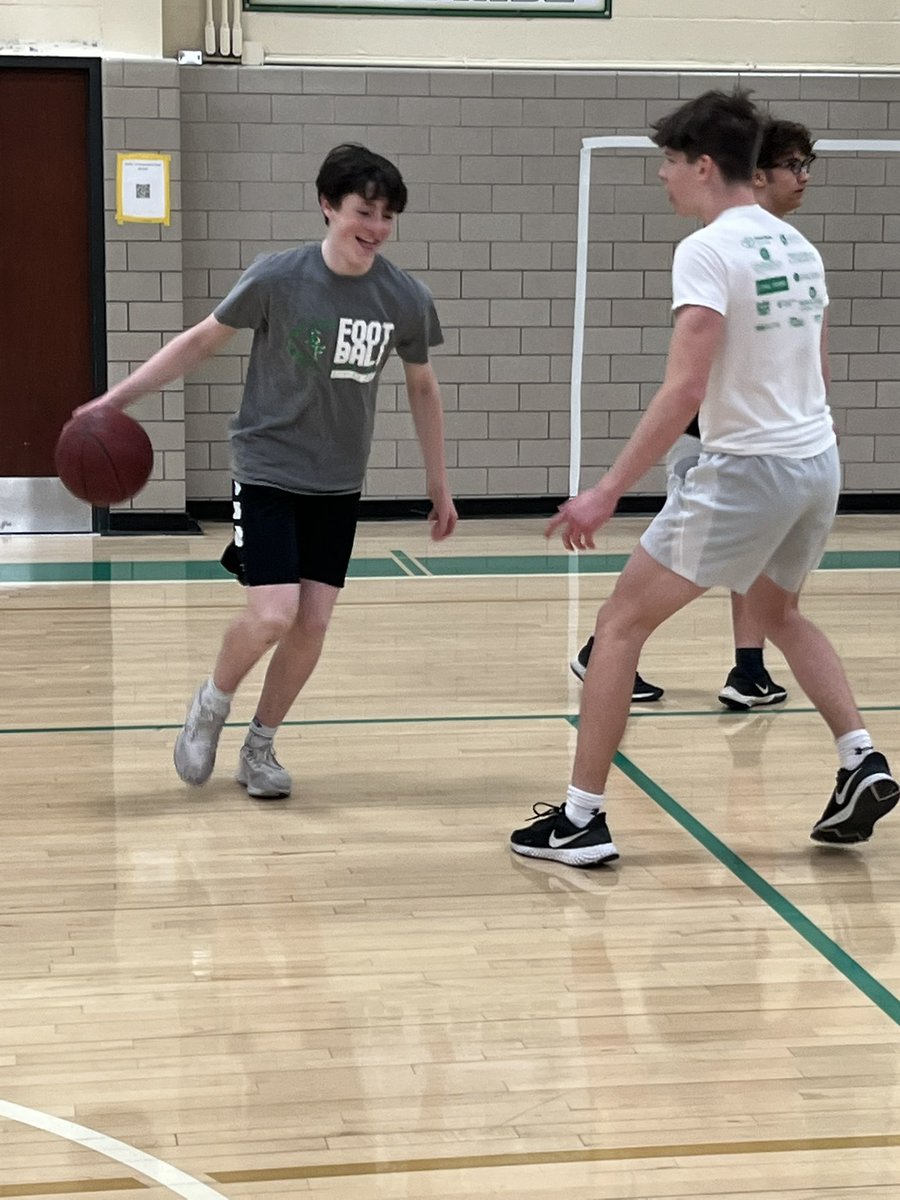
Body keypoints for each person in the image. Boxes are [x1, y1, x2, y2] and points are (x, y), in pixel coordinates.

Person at [511, 90, 898, 867]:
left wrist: (608, 488)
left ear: (705, 165)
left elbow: (684, 388)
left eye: (668, 163)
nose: (662, 178)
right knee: (780, 611)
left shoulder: (707, 249)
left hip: (747, 472)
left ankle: (582, 818)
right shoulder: (797, 246)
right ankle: (861, 758)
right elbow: (814, 370)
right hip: (816, 462)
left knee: (618, 628)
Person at [78, 143, 458, 799]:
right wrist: (118, 399)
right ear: (327, 206)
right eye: (364, 211)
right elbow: (199, 340)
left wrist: (438, 484)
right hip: (267, 469)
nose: (376, 227)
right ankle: (211, 701)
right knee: (274, 613)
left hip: (338, 482)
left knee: (312, 623)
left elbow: (423, 388)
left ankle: (260, 747)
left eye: (387, 216)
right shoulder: (279, 278)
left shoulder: (404, 297)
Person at [570, 117, 820, 712]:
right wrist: (606, 490)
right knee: (677, 576)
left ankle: (760, 678)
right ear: (754, 175)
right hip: (720, 443)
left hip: (771, 448)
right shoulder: (717, 251)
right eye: (793, 166)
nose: (803, 179)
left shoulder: (788, 249)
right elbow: (689, 382)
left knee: (752, 581)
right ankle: (607, 651)